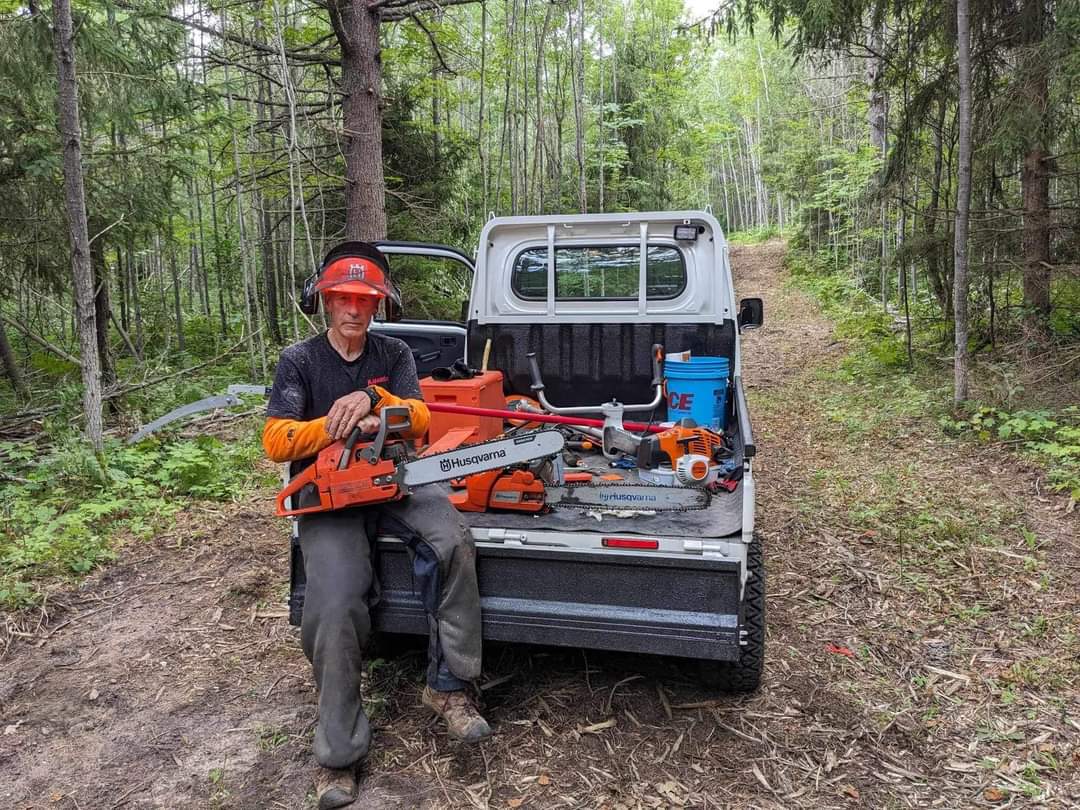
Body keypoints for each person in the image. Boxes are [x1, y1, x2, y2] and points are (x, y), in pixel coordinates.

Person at [262, 241, 490, 809]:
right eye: (343, 299)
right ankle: (338, 753)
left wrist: (372, 400)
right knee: (334, 602)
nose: (354, 311)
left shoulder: (393, 353)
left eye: (364, 300)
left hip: (395, 478)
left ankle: (450, 687)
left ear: (376, 305)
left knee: (452, 540)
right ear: (326, 301)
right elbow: (276, 439)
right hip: (331, 492)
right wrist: (333, 428)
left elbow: (419, 416)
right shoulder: (299, 360)